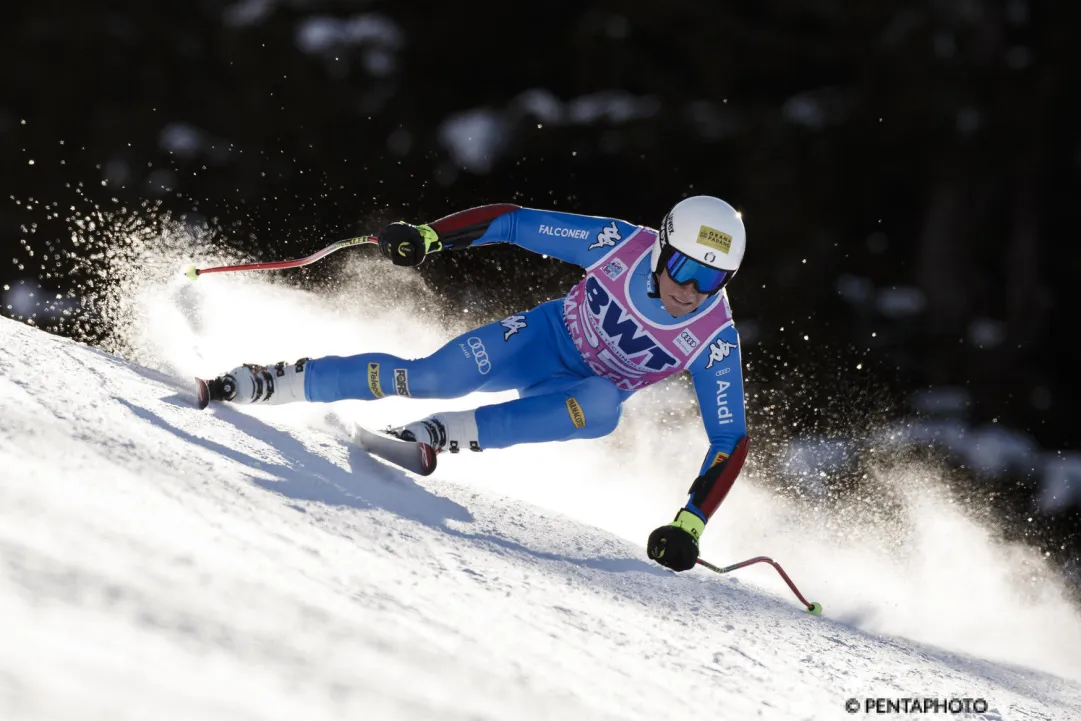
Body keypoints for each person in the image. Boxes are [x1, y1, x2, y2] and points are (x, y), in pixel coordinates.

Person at [205, 196, 749, 572]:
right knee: (430, 376)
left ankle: (434, 435)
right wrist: (429, 237)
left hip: (573, 398)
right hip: (537, 341)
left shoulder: (714, 338)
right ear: (661, 247)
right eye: (683, 267)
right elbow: (513, 221)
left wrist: (691, 524)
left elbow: (730, 440)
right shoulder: (618, 244)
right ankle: (270, 381)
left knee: (605, 406)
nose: (691, 290)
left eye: (711, 279)